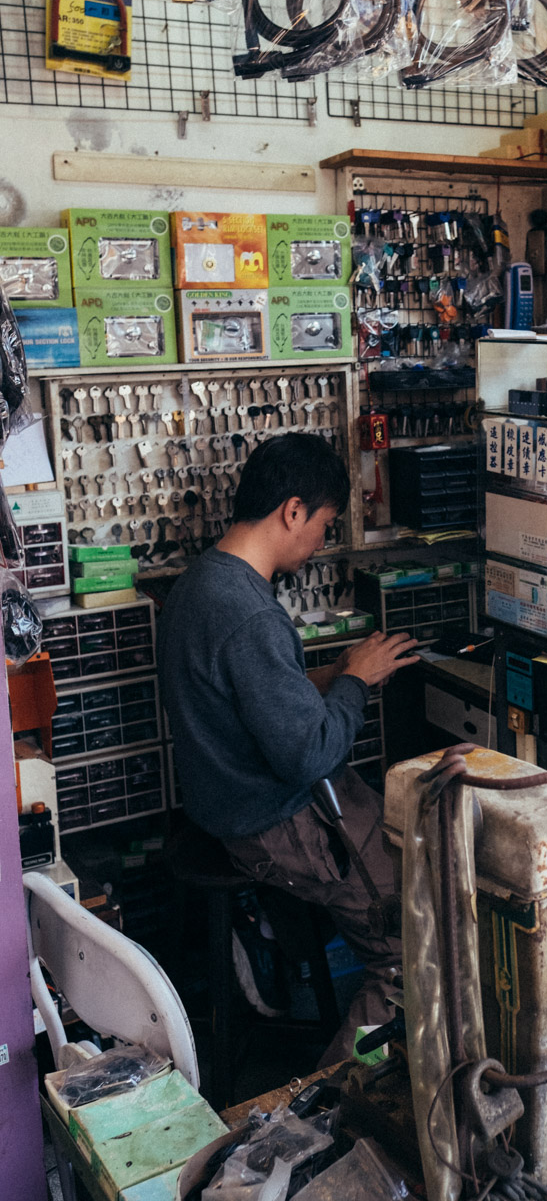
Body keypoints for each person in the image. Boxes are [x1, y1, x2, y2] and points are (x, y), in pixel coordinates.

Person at [157, 432, 420, 1062]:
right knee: (417, 952)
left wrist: (337, 673)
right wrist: (355, 683)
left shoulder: (201, 585)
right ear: (292, 511)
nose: (322, 542)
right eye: (325, 526)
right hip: (277, 821)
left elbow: (254, 696)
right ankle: (331, 1109)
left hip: (233, 804)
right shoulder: (247, 614)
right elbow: (310, 754)